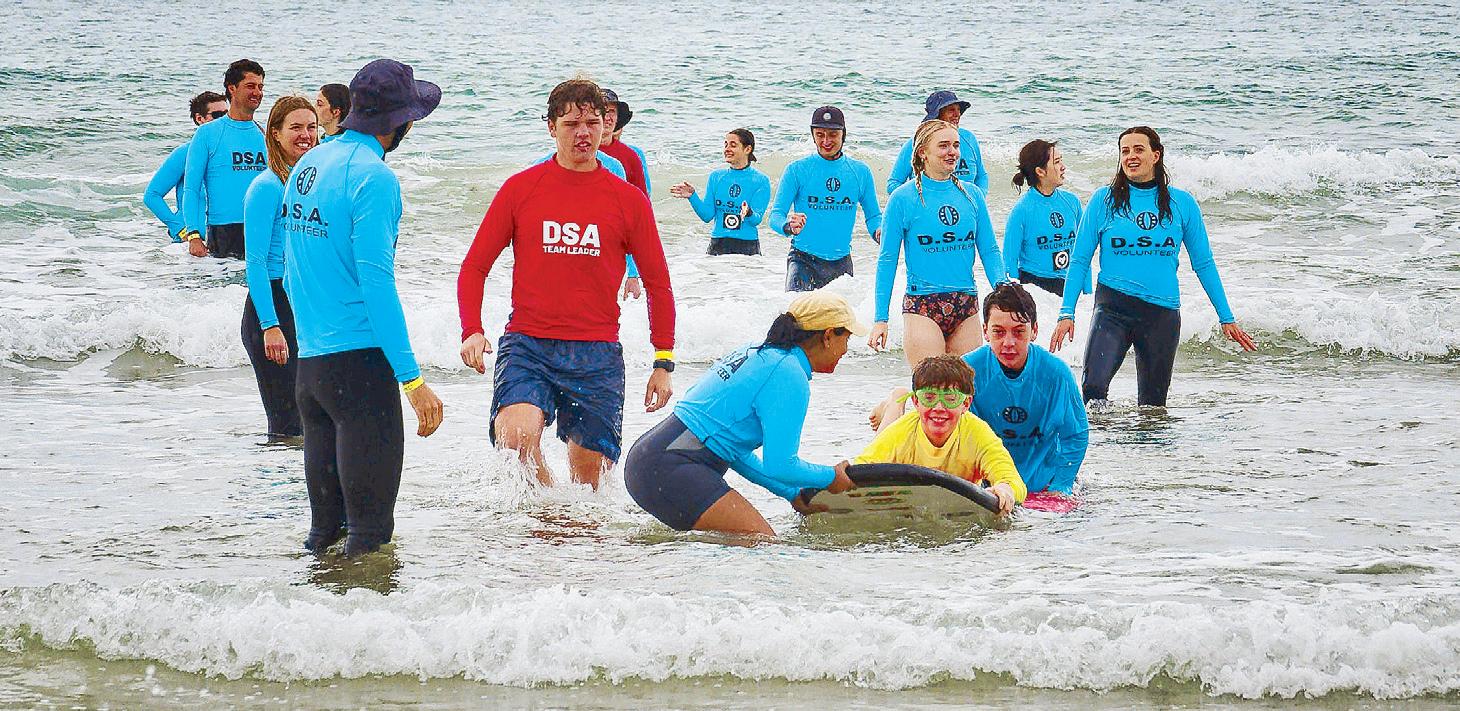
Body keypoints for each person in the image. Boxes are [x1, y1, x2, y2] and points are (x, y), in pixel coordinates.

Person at [458, 78, 675, 491]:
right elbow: (474, 267)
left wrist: (663, 362)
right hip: (528, 344)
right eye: (572, 123)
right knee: (515, 442)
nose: (583, 133)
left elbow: (659, 284)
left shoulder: (628, 200)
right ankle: (548, 511)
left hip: (596, 352)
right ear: (551, 127)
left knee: (589, 486)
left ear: (606, 126)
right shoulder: (521, 188)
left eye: (593, 123)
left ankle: (563, 528)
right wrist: (472, 328)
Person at [282, 59, 445, 557]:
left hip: (312, 371)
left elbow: (292, 269)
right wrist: (412, 381)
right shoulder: (374, 178)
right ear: (401, 122)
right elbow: (377, 285)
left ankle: (303, 609)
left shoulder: (310, 164)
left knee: (323, 536)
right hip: (359, 373)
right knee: (370, 538)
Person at [1049, 126, 1258, 406]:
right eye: (1125, 151)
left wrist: (1226, 317)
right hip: (1113, 309)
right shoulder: (1103, 201)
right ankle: (1104, 436)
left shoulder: (1182, 204)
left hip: (1161, 314)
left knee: (1152, 408)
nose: (1130, 157)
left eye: (1139, 150)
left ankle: (1142, 438)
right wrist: (1067, 312)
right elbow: (1079, 260)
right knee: (1093, 390)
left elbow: (1204, 264)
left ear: (1156, 155)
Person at [624, 291, 861, 536]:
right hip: (672, 466)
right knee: (763, 544)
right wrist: (831, 477)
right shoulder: (788, 374)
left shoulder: (757, 352)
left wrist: (791, 493)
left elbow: (733, 451)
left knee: (738, 544)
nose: (846, 350)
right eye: (847, 338)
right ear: (828, 336)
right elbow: (781, 465)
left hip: (646, 461)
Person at [869, 120, 1007, 367]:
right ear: (923, 152)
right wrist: (881, 319)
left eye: (956, 145)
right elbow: (887, 260)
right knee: (929, 387)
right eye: (943, 146)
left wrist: (1002, 288)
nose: (952, 152)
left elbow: (989, 250)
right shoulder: (902, 198)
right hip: (923, 304)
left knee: (966, 387)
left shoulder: (973, 195)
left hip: (966, 303)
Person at [856, 355, 1025, 514]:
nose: (938, 407)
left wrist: (1005, 489)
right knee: (885, 437)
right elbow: (860, 469)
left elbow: (1014, 482)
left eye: (950, 399)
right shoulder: (901, 433)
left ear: (966, 403)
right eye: (929, 398)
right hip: (903, 440)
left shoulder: (978, 433)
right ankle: (896, 401)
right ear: (916, 402)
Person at [241, 96, 317, 439]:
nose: (306, 135)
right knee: (286, 422)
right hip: (270, 306)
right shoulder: (266, 187)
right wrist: (270, 326)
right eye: (296, 127)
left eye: (312, 127)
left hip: (301, 305)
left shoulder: (307, 185)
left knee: (310, 417)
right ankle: (274, 474)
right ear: (275, 133)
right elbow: (255, 262)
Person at [965, 283, 1087, 495]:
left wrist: (1061, 488)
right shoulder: (968, 372)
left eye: (1019, 332)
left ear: (1034, 330)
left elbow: (1075, 435)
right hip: (990, 488)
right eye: (998, 332)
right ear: (985, 331)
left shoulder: (1057, 374)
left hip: (1045, 486)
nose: (1008, 342)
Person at [767, 105, 882, 291]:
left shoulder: (860, 172)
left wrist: (880, 232)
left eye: (833, 135)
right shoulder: (797, 170)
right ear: (813, 136)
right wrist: (788, 226)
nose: (826, 141)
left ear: (843, 135)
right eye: (820, 135)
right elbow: (775, 215)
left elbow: (874, 216)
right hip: (803, 260)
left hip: (841, 263)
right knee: (796, 309)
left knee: (841, 311)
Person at [179, 59, 268, 259]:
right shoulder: (207, 133)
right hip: (224, 232)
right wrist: (193, 234)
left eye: (260, 87)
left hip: (263, 227)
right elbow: (191, 188)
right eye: (250, 86)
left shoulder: (266, 134)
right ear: (232, 88)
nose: (257, 92)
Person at [1003, 139, 1087, 297]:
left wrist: (1087, 293)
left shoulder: (1072, 202)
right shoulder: (1022, 210)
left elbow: (1083, 252)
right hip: (1035, 287)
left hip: (1069, 283)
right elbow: (1009, 261)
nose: (1063, 167)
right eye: (1057, 162)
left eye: (1061, 160)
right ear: (1040, 171)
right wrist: (1015, 297)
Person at [669, 128, 772, 256]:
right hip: (718, 244)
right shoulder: (716, 177)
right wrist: (692, 196)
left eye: (733, 145)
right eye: (725, 145)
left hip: (747, 246)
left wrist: (748, 212)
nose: (727, 149)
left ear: (747, 149)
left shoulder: (760, 180)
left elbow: (756, 220)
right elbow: (707, 216)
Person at [142, 91, 226, 243]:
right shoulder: (185, 153)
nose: (223, 119)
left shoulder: (231, 153)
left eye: (227, 114)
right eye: (217, 115)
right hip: (189, 246)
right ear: (199, 119)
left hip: (224, 242)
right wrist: (180, 230)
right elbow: (152, 195)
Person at [886, 91, 989, 195]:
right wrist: (918, 199)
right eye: (951, 110)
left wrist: (978, 197)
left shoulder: (969, 138)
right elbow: (893, 183)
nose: (957, 114)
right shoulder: (916, 143)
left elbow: (981, 176)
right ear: (937, 114)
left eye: (958, 109)